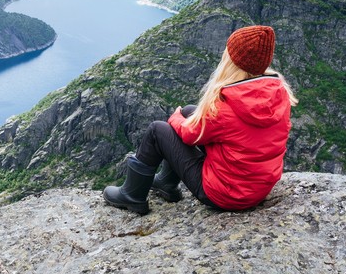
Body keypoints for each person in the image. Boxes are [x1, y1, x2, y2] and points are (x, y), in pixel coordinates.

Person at [103, 25, 297, 215]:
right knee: (190, 111)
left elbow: (189, 135)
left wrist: (175, 117)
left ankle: (132, 195)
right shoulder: (280, 95)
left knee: (157, 130)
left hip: (224, 195)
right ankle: (166, 184)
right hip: (257, 189)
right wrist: (185, 117)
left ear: (233, 61)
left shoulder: (225, 108)